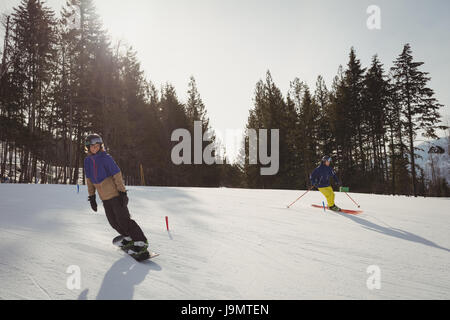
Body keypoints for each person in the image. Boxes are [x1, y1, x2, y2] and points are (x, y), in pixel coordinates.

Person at [84, 133, 149, 256]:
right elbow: (89, 181)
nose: (94, 148)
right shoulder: (87, 161)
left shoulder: (106, 158)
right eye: (92, 146)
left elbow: (117, 175)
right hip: (105, 198)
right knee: (113, 222)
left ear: (100, 146)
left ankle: (141, 241)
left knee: (124, 220)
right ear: (88, 147)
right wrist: (92, 197)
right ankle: (128, 238)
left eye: (97, 145)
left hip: (115, 195)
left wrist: (122, 193)